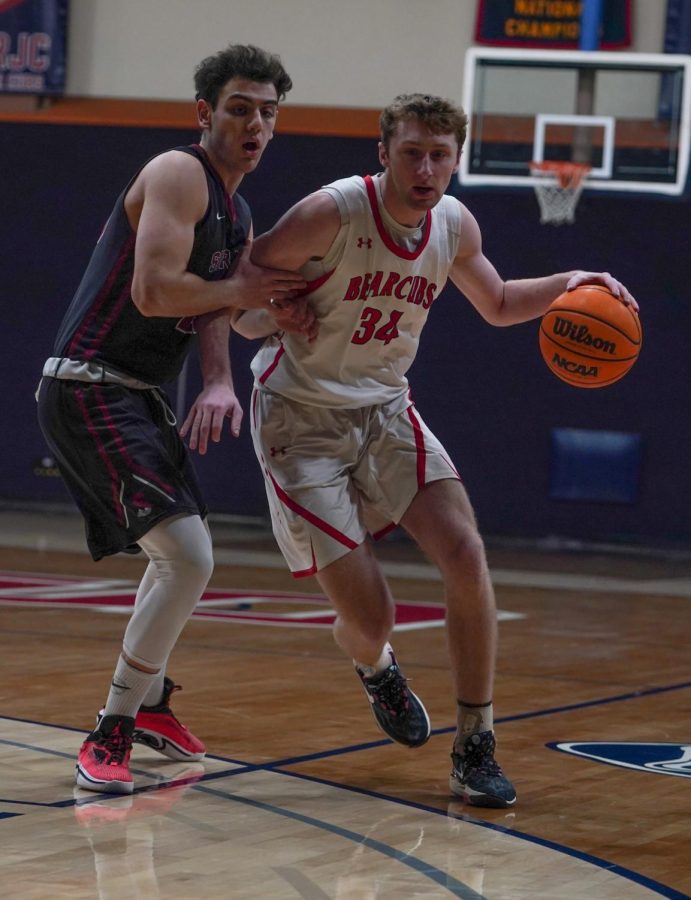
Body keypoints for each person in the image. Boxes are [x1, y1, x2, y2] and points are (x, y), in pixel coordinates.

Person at [225, 93, 638, 808]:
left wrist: (570, 283)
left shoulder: (452, 224)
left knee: (465, 553)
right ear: (382, 153)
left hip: (386, 409)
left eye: (438, 155)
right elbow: (235, 303)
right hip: (300, 420)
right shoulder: (330, 212)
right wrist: (270, 313)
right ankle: (376, 665)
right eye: (411, 152)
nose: (424, 167)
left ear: (456, 159)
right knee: (372, 619)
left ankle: (474, 742)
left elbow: (503, 302)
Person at [36, 44, 310, 795]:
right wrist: (250, 285)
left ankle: (150, 703)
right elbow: (159, 293)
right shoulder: (177, 173)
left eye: (267, 112)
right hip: (89, 383)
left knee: (179, 559)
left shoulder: (239, 209)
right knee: (188, 558)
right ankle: (112, 726)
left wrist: (227, 372)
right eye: (239, 108)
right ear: (205, 113)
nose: (255, 123)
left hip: (136, 395)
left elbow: (220, 303)